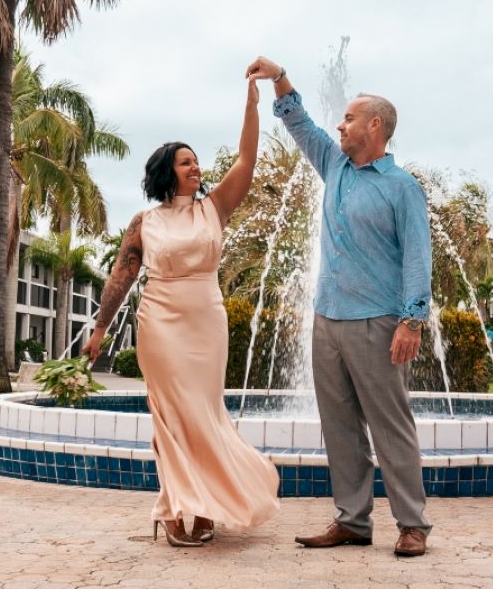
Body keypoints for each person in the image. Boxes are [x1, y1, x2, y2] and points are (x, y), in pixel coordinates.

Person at [245, 55, 433, 558]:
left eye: (348, 119)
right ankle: (352, 521)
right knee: (340, 427)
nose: (339, 125)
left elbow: (418, 257)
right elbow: (300, 125)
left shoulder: (402, 188)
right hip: (326, 319)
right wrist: (280, 77)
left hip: (378, 321)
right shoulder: (335, 165)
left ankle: (412, 524)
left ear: (375, 126)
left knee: (390, 425)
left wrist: (413, 318)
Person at [85, 77, 279, 548]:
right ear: (167, 172)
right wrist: (100, 328)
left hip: (206, 320)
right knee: (171, 416)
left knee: (205, 413)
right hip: (160, 321)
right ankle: (176, 506)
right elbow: (121, 277)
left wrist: (251, 106)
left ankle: (206, 500)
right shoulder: (144, 223)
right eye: (186, 161)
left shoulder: (215, 208)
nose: (196, 167)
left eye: (196, 161)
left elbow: (246, 161)